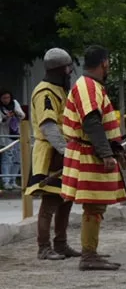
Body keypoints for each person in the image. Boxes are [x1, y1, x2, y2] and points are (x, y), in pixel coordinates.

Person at [60, 46, 126, 271]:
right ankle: (88, 255)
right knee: (93, 206)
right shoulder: (88, 87)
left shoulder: (89, 86)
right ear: (105, 63)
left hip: (89, 150)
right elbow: (91, 121)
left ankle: (91, 251)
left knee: (96, 207)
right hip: (88, 153)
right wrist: (106, 153)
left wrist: (115, 147)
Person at [25, 48, 80, 260]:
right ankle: (43, 248)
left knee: (65, 200)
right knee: (50, 203)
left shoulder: (59, 90)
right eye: (67, 68)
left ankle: (61, 244)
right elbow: (48, 126)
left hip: (62, 151)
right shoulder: (45, 92)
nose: (69, 72)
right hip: (51, 153)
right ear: (59, 69)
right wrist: (65, 152)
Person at [0, 89, 26, 191]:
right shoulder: (1, 108)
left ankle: (13, 181)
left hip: (16, 134)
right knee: (7, 158)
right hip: (6, 135)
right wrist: (6, 117)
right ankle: (6, 182)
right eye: (4, 98)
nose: (6, 100)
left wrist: (16, 112)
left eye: (8, 97)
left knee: (17, 159)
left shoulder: (14, 103)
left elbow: (22, 115)